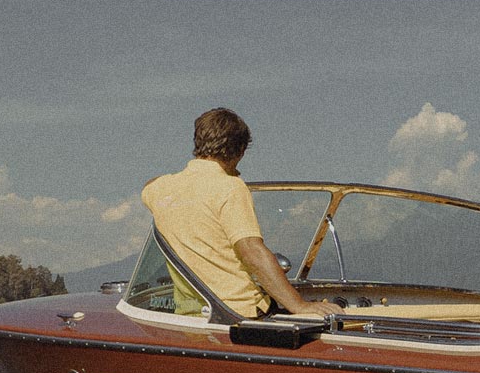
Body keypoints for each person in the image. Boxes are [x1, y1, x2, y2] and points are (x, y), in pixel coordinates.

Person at [140, 108, 338, 319]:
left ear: (198, 143)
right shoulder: (230, 187)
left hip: (192, 314)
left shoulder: (160, 190)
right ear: (241, 150)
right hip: (239, 312)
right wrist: (300, 306)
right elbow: (251, 250)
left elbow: (149, 184)